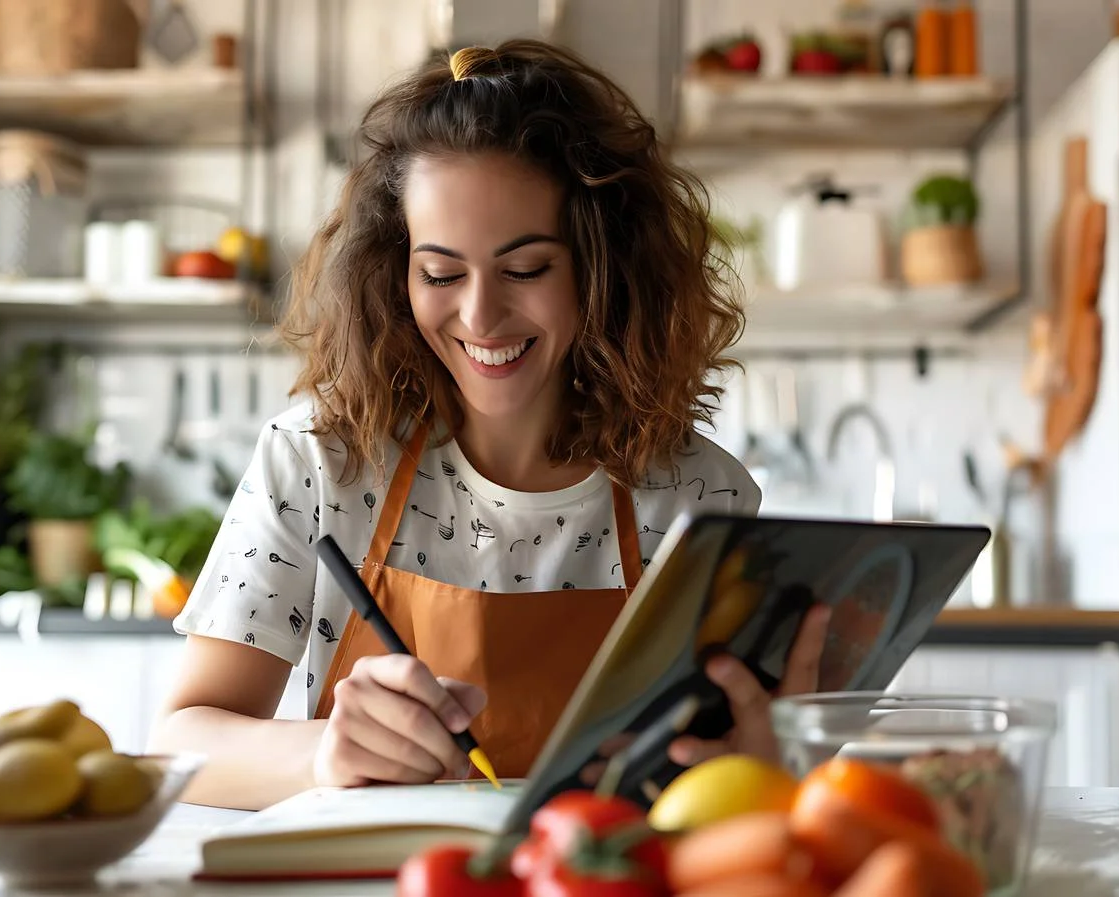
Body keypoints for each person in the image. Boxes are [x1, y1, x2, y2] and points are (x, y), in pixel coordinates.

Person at [149, 39, 830, 811]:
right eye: (441, 273)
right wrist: (323, 753)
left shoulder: (699, 497)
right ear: (396, 271)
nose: (479, 316)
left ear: (601, 266)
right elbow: (179, 741)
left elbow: (738, 777)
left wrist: (767, 759)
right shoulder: (318, 460)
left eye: (526, 269)